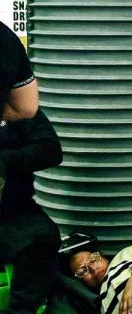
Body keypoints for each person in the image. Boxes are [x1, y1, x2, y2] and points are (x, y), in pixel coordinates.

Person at [0, 21, 63, 314]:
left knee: (43, 237)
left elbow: (51, 150)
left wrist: (5, 161)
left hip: (11, 212)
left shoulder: (19, 110)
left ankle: (22, 310)